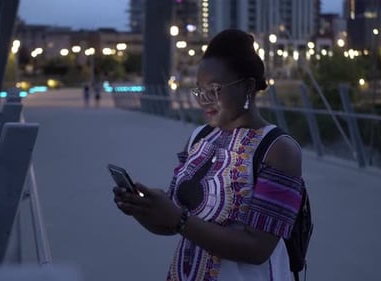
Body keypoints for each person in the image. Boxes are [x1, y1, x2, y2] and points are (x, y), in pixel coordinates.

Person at [113, 29, 305, 281]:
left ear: (247, 86)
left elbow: (259, 248)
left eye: (214, 89)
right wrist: (141, 209)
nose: (204, 100)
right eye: (199, 91)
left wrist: (179, 220)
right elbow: (170, 221)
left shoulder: (279, 149)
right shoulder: (198, 138)